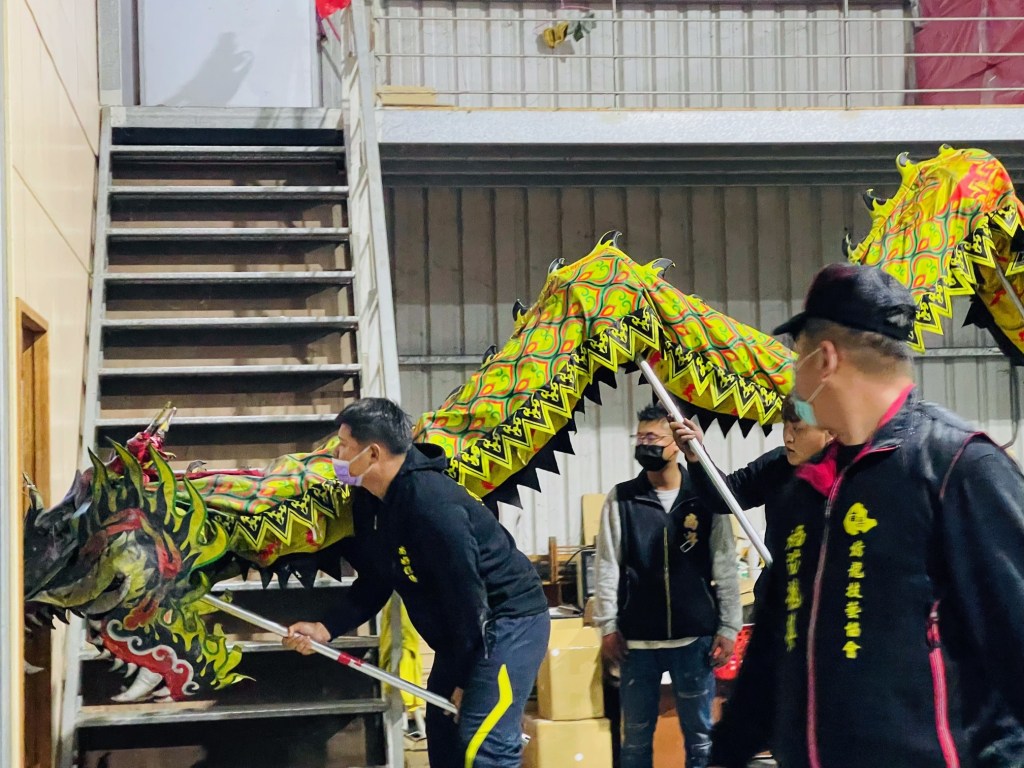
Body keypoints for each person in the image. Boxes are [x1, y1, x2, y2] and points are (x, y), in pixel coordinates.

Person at [703, 263, 1024, 768]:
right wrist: (727, 751)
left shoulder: (956, 468)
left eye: (798, 358)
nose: (794, 378)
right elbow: (772, 651)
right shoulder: (807, 488)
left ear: (825, 359)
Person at [283, 398, 550, 768]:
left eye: (343, 446)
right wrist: (325, 628)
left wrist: (467, 678)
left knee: (483, 746)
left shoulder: (431, 503)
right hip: (462, 633)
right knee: (444, 743)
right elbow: (378, 578)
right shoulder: (370, 502)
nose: (336, 456)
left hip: (505, 624)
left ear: (372, 453)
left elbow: (466, 594)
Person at [594, 402, 743, 768]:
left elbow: (725, 564)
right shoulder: (622, 499)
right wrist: (607, 625)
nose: (645, 445)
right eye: (640, 437)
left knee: (701, 740)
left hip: (694, 640)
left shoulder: (705, 497)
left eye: (654, 438)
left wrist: (728, 627)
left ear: (676, 444)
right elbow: (607, 565)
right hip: (637, 642)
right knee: (634, 742)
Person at [671, 396, 834, 588]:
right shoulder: (776, 465)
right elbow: (725, 496)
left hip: (826, 595)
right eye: (785, 426)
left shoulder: (852, 477)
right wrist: (697, 457)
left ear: (830, 432)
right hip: (778, 593)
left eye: (798, 429)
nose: (788, 437)